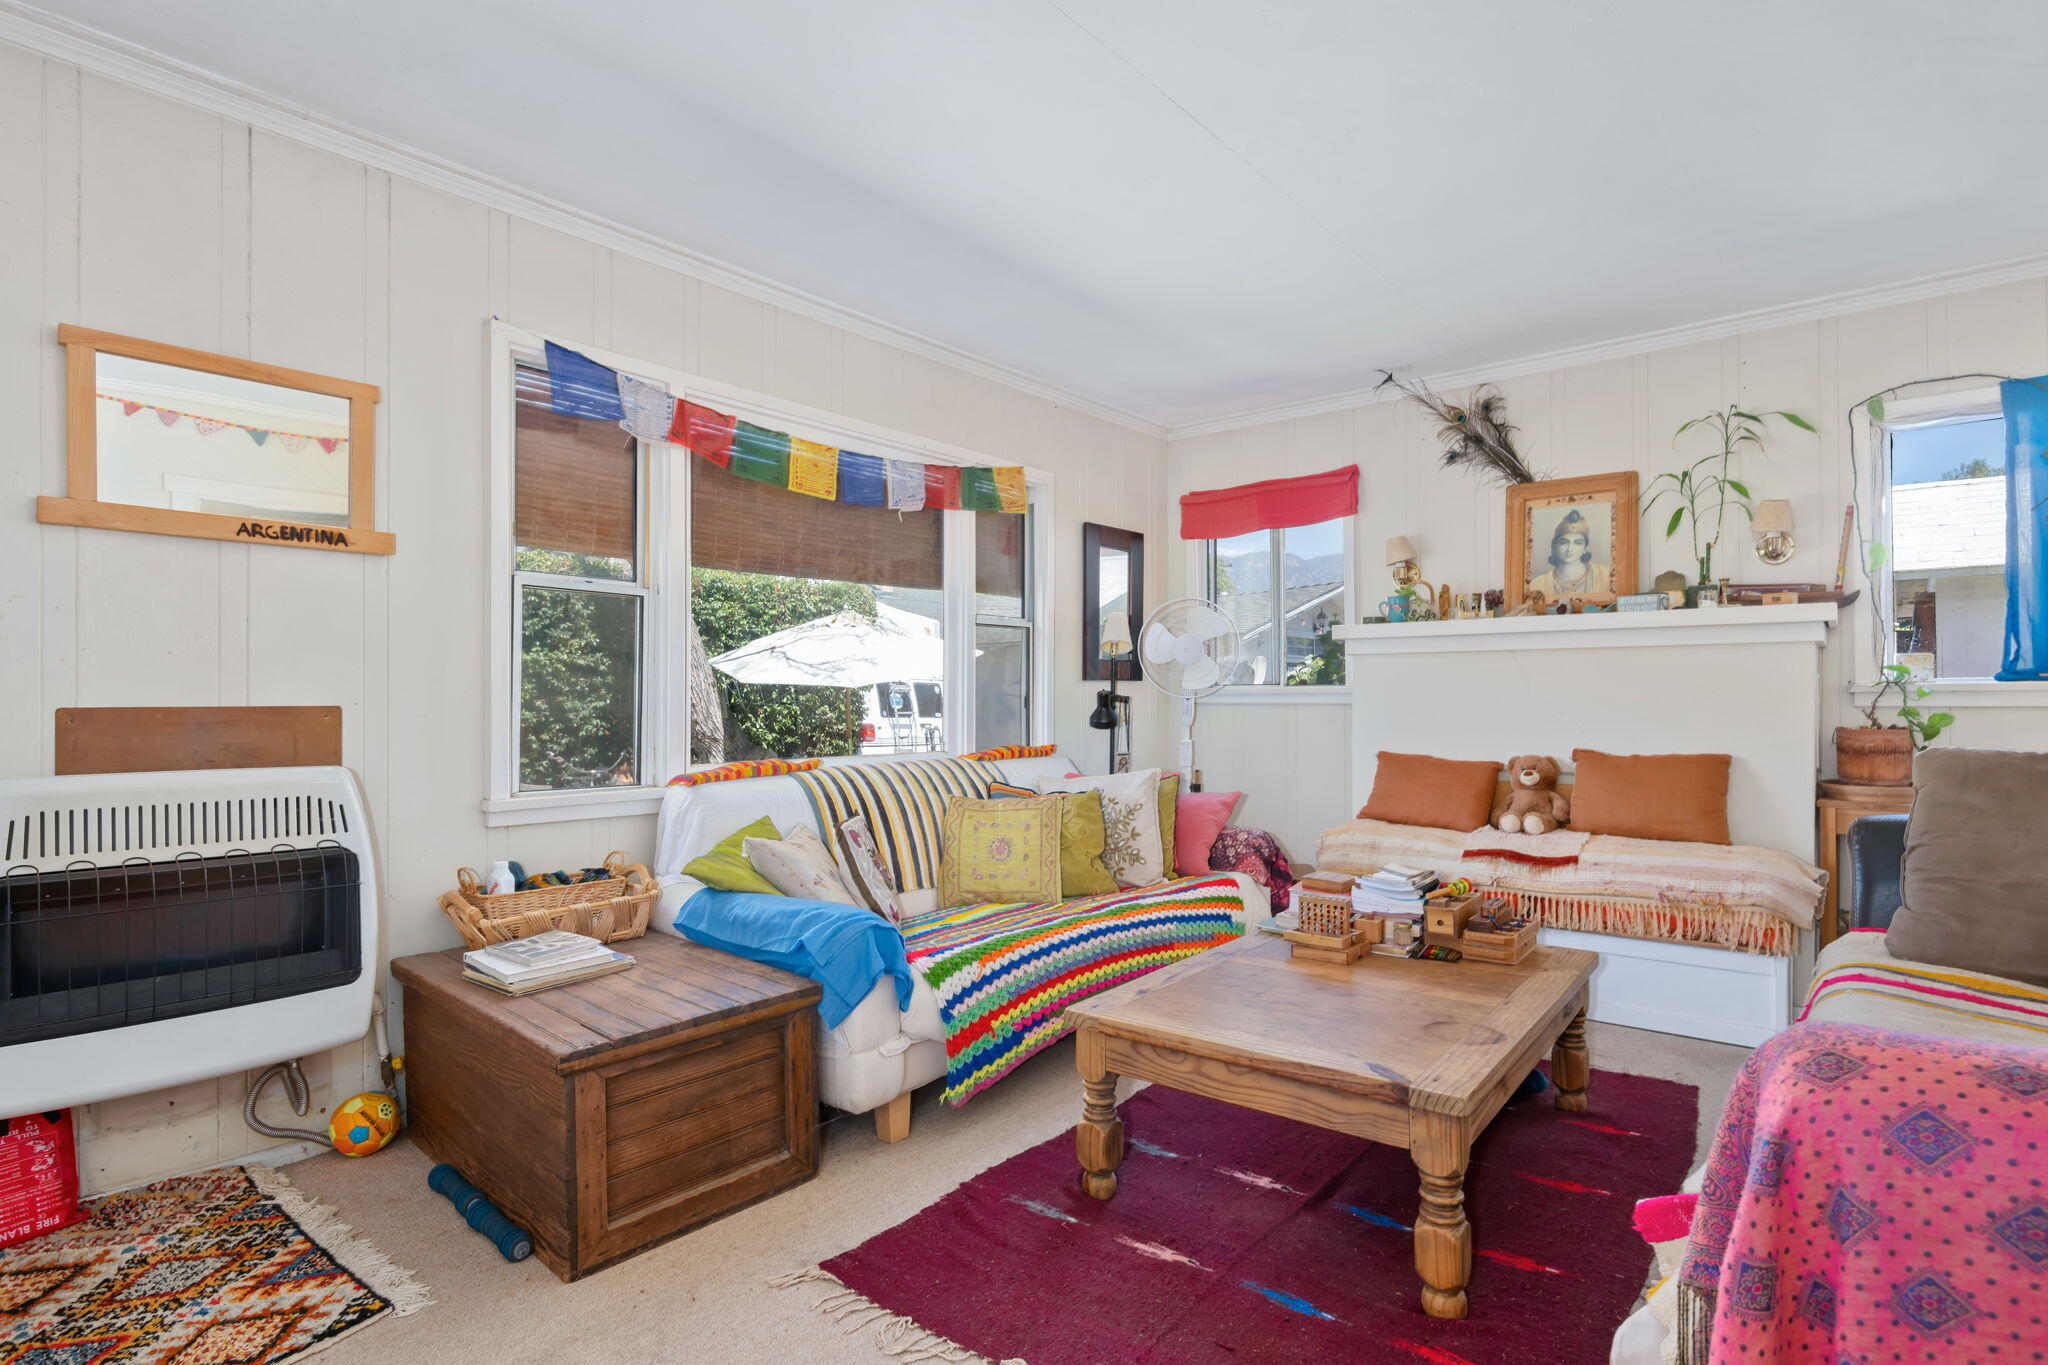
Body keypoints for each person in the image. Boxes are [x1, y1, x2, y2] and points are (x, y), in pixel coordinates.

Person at [1525, 507, 1611, 599]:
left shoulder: (1606, 575)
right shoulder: (1538, 584)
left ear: (1585, 548)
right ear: (1554, 547)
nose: (1570, 549)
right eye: (1564, 543)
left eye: (1578, 543)